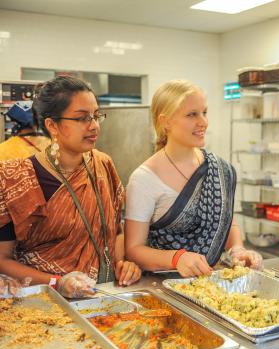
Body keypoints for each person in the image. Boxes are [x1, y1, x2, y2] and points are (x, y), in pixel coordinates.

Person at [0, 76, 141, 298]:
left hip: (104, 295)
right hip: (46, 302)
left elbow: (116, 231)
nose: (94, 125)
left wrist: (124, 264)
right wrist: (57, 282)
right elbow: (2, 260)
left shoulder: (103, 165)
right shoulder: (17, 178)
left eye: (95, 116)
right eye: (82, 118)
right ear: (52, 125)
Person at [124, 80, 262, 277]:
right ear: (166, 122)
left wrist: (238, 250)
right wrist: (177, 258)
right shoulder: (144, 179)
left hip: (212, 284)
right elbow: (134, 250)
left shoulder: (220, 168)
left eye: (204, 112)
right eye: (191, 115)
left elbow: (227, 220)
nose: (203, 122)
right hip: (163, 286)